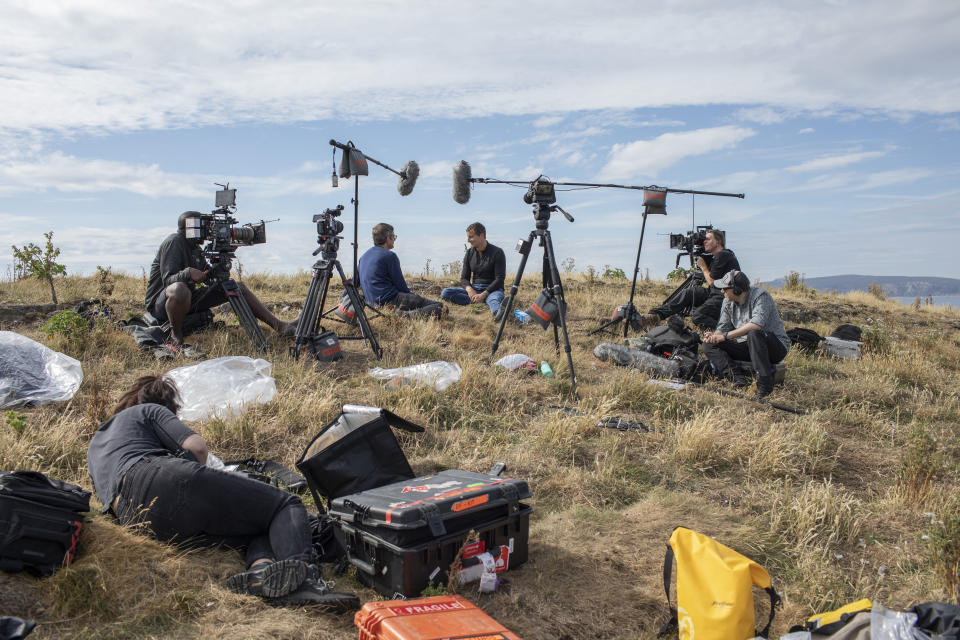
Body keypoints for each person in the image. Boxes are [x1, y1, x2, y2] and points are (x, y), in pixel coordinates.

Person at [86, 375, 357, 608]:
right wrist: (199, 476)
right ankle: (305, 579)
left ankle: (262, 571)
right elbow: (197, 448)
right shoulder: (149, 411)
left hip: (136, 519)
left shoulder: (96, 444)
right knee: (285, 504)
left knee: (256, 525)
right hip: (162, 477)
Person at [144, 212, 295, 357]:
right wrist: (188, 272)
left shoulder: (195, 248)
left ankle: (280, 326)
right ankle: (175, 335)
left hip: (187, 299)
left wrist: (219, 266)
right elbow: (168, 280)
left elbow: (207, 278)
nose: (208, 231)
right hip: (162, 305)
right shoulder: (174, 242)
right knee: (179, 288)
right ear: (191, 227)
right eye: (204, 226)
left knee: (239, 287)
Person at [702, 270, 790, 399]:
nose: (722, 291)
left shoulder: (761, 296)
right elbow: (723, 326)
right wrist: (715, 336)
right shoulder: (727, 301)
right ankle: (737, 378)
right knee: (708, 345)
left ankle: (764, 386)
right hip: (747, 346)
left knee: (754, 334)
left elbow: (756, 324)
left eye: (725, 288)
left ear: (737, 290)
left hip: (774, 347)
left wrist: (725, 336)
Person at [644, 228, 740, 330]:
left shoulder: (723, 255)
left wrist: (703, 267)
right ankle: (655, 316)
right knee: (689, 293)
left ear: (718, 241)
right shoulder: (718, 256)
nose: (704, 241)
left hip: (724, 296)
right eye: (704, 239)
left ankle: (726, 330)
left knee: (698, 316)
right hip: (714, 292)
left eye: (708, 239)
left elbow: (712, 282)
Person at [358, 223, 444, 318]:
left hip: (372, 305)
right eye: (393, 237)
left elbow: (355, 282)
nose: (394, 240)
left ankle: (405, 313)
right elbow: (401, 286)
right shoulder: (390, 256)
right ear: (388, 238)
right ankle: (405, 316)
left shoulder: (364, 257)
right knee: (441, 307)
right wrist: (413, 298)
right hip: (391, 300)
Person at [440, 222, 507, 318]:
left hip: (493, 290)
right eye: (468, 237)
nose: (468, 240)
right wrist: (470, 290)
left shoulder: (497, 252)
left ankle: (497, 313)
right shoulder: (469, 253)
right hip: (475, 289)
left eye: (471, 237)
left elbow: (499, 279)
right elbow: (464, 278)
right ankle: (479, 300)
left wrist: (484, 294)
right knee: (445, 293)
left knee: (493, 300)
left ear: (481, 235)